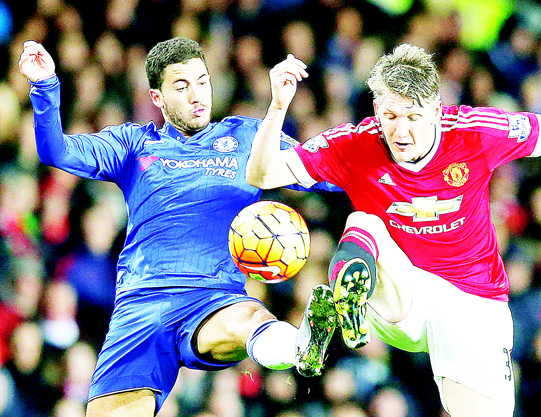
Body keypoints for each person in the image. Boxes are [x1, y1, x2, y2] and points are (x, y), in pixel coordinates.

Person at [246, 44, 541, 417]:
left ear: (436, 111)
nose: (401, 131)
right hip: (403, 297)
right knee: (363, 223)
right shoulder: (353, 143)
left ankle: (343, 306)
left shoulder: (474, 131)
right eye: (391, 115)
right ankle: (345, 301)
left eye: (413, 117)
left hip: (472, 301)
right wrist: (278, 107)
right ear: (377, 110)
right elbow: (263, 174)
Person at [18, 37, 338, 416]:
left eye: (203, 81)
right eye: (182, 86)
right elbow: (57, 151)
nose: (197, 95)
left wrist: (396, 156)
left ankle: (299, 346)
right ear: (157, 97)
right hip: (141, 309)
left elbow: (327, 171)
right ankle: (294, 345)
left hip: (214, 299)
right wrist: (45, 85)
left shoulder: (247, 137)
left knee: (251, 319)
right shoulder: (133, 144)